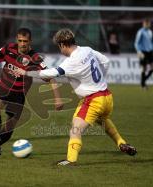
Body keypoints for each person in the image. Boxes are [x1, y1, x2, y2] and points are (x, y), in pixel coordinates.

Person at [14, 28, 137, 166]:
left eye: (59, 47)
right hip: (107, 97)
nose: (60, 50)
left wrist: (26, 72)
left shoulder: (71, 62)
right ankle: (122, 143)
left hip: (93, 100)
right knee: (103, 120)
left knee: (75, 128)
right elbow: (106, 61)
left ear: (62, 44)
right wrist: (100, 81)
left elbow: (51, 73)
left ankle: (71, 160)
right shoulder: (87, 50)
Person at [0, 28, 63, 156]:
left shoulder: (35, 58)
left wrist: (58, 98)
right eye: (20, 40)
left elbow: (50, 77)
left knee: (10, 127)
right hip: (2, 88)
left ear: (30, 41)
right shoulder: (9, 49)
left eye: (25, 41)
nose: (22, 43)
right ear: (17, 40)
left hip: (19, 94)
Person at [134, 19, 153, 89]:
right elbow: (136, 43)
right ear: (144, 24)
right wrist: (139, 51)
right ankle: (143, 85)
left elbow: (151, 42)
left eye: (148, 23)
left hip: (150, 52)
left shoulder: (150, 32)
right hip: (143, 52)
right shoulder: (140, 32)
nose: (148, 25)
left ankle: (143, 82)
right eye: (146, 23)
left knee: (152, 68)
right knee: (144, 69)